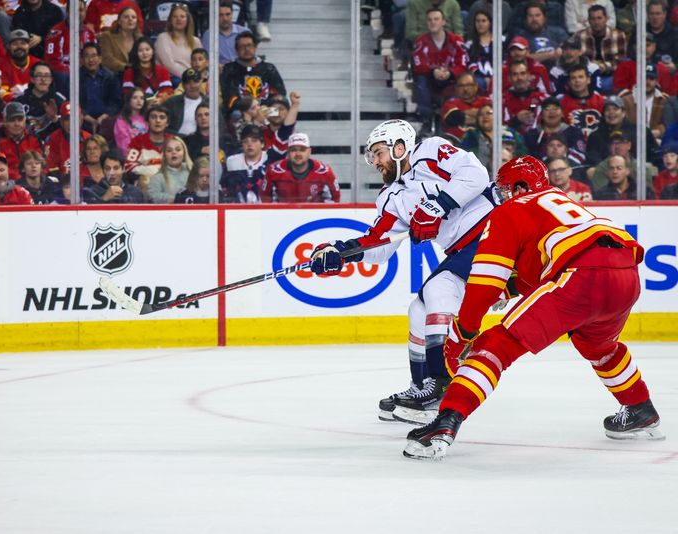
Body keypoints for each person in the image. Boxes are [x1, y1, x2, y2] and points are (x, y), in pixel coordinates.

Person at [404, 155, 663, 461]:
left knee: (495, 345)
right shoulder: (559, 200)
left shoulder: (512, 209)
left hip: (582, 275)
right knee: (598, 346)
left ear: (521, 186)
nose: (500, 197)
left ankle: (445, 423)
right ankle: (640, 407)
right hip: (625, 273)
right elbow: (542, 270)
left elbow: (483, 284)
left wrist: (462, 333)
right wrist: (511, 289)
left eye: (504, 190)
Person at [309, 119, 497, 425]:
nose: (376, 162)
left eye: (380, 153)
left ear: (400, 147)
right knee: (418, 309)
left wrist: (439, 205)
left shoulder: (431, 151)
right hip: (463, 251)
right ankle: (423, 386)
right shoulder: (391, 196)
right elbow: (379, 244)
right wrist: (340, 252)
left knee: (438, 291)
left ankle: (441, 383)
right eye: (373, 156)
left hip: (493, 234)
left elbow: (476, 175)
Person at [411, 8, 467, 126]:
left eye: (436, 19)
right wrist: (433, 71)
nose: (433, 22)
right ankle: (425, 119)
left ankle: (451, 120)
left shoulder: (456, 41)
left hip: (451, 79)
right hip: (430, 79)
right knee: (420, 80)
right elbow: (418, 65)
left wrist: (451, 72)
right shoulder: (420, 41)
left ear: (443, 22)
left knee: (464, 79)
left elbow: (462, 64)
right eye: (430, 20)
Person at [260, 133, 340, 203]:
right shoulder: (274, 171)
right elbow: (265, 199)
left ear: (309, 152)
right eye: (293, 150)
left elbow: (335, 199)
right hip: (283, 217)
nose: (298, 154)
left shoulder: (324, 172)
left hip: (314, 218)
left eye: (302, 150)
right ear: (288, 152)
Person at [585, 95, 658, 167]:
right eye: (607, 110)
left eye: (615, 109)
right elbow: (593, 160)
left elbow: (655, 156)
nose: (611, 112)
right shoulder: (595, 137)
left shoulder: (640, 131)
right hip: (607, 173)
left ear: (623, 112)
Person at [221, 31, 286, 111]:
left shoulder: (269, 69)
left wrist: (266, 109)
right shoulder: (229, 69)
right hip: (240, 115)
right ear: (236, 50)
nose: (247, 49)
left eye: (249, 45)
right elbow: (228, 96)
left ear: (255, 47)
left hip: (267, 114)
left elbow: (279, 93)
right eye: (242, 46)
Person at [44, 0, 97, 94]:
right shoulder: (56, 32)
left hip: (85, 70)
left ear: (85, 12)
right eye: (74, 10)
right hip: (64, 72)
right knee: (63, 76)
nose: (78, 13)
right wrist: (71, 71)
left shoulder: (90, 33)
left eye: (81, 10)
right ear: (68, 12)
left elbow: (95, 57)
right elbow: (51, 60)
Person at [574, 4, 627, 94]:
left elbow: (621, 60)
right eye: (593, 19)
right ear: (589, 20)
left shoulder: (618, 35)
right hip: (587, 75)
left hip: (610, 74)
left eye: (599, 18)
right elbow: (577, 59)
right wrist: (591, 66)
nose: (596, 22)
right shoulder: (579, 36)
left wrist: (601, 66)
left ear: (606, 19)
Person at [0, 101, 42, 181]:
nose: (17, 124)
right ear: (5, 121)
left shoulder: (34, 138)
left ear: (25, 120)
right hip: (8, 184)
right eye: (12, 120)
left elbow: (41, 163)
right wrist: (21, 179)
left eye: (20, 119)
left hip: (34, 181)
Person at [589, 130, 656, 192]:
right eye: (613, 143)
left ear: (629, 145)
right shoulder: (602, 169)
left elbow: (648, 194)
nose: (617, 147)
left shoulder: (642, 168)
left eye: (620, 143)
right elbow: (602, 195)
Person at [524, 96, 586, 162]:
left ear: (562, 113)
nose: (551, 112)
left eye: (555, 109)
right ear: (541, 115)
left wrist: (561, 167)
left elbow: (580, 154)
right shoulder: (532, 134)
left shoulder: (574, 132)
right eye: (547, 109)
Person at [14, 62, 65, 141]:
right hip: (26, 146)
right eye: (39, 75)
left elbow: (68, 130)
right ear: (32, 79)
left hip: (53, 146)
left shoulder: (60, 100)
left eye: (47, 76)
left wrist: (54, 118)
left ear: (51, 79)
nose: (43, 79)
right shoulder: (19, 102)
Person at [78, 43, 122, 134]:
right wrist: (89, 119)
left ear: (100, 59)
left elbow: (116, 102)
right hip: (83, 119)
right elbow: (73, 102)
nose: (90, 60)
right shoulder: (75, 78)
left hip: (106, 118)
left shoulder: (111, 76)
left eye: (94, 56)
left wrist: (103, 117)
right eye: (86, 56)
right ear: (81, 60)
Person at [221, 124, 269, 203]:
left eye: (254, 141)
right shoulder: (232, 161)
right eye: (245, 141)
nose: (249, 144)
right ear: (242, 145)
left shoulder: (269, 159)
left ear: (262, 144)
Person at [126, 104, 173, 185]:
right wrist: (154, 171)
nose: (158, 120)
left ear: (167, 123)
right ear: (147, 122)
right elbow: (129, 166)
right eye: (153, 117)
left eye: (162, 117)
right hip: (146, 184)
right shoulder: (137, 141)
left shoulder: (173, 141)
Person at [619, 65, 669, 141]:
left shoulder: (663, 100)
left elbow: (668, 122)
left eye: (651, 79)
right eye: (645, 78)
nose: (647, 82)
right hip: (630, 139)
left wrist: (659, 131)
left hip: (655, 140)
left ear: (656, 81)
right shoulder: (625, 99)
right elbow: (620, 123)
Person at [154, 3, 203, 80]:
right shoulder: (163, 38)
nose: (178, 19)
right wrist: (189, 77)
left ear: (188, 20)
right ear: (170, 20)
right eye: (175, 17)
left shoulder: (196, 41)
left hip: (193, 80)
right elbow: (168, 64)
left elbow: (201, 63)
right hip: (172, 79)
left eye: (182, 16)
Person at [513, 1, 567, 69]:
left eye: (537, 15)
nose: (534, 19)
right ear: (525, 19)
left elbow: (570, 53)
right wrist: (550, 54)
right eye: (530, 16)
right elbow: (522, 59)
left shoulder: (559, 33)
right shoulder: (520, 37)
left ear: (545, 18)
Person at [441, 72, 492, 141]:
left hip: (485, 141)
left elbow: (495, 120)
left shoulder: (486, 101)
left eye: (469, 85)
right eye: (461, 86)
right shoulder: (450, 103)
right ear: (456, 88)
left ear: (476, 86)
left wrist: (465, 113)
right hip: (457, 143)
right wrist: (481, 116)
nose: (465, 89)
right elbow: (455, 117)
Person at [44, 102, 90, 178]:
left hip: (87, 184)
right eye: (67, 119)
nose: (71, 123)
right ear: (61, 121)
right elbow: (51, 170)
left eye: (75, 118)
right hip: (62, 184)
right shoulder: (53, 139)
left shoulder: (89, 139)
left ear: (81, 119)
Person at [0, 29, 41, 101]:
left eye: (23, 43)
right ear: (8, 46)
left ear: (29, 46)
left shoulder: (38, 64)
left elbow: (42, 89)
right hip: (10, 105)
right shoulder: (0, 64)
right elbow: (1, 91)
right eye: (15, 44)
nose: (19, 47)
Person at [502, 60, 547, 136]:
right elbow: (498, 128)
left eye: (522, 73)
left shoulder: (542, 98)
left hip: (537, 142)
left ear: (528, 76)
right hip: (511, 142)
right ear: (509, 78)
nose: (519, 78)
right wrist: (516, 120)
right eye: (515, 74)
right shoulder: (502, 101)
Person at [560, 64, 605, 139]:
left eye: (581, 77)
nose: (577, 80)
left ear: (588, 80)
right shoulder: (562, 104)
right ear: (569, 83)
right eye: (573, 78)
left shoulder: (602, 101)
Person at [122, 37, 173, 103]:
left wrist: (160, 100)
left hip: (158, 105)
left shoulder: (162, 70)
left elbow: (168, 91)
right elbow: (127, 93)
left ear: (153, 51)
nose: (144, 53)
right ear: (136, 53)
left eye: (147, 49)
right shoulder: (129, 72)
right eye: (140, 50)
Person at [97, 6, 142, 74]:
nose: (130, 19)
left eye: (133, 17)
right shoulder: (107, 36)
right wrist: (127, 67)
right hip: (116, 76)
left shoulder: (141, 39)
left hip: (137, 76)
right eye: (126, 17)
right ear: (119, 21)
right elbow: (107, 59)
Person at [148, 137, 193, 203]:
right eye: (169, 150)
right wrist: (177, 199)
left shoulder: (193, 173)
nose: (174, 152)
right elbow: (153, 196)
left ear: (184, 153)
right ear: (164, 156)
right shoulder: (157, 178)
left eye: (178, 150)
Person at [201, 0, 247, 66]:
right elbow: (207, 59)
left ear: (232, 14)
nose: (225, 18)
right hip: (219, 72)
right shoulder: (208, 35)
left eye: (228, 14)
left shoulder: (244, 32)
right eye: (220, 15)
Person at [164, 69, 207, 136]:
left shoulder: (210, 103)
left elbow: (220, 126)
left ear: (201, 82)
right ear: (183, 85)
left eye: (196, 81)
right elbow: (163, 126)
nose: (192, 86)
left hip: (203, 142)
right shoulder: (172, 102)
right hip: (177, 141)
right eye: (188, 83)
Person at [463, 7, 495, 94]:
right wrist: (485, 78)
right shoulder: (469, 45)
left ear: (490, 23)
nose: (480, 24)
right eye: (478, 21)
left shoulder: (501, 41)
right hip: (479, 80)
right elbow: (470, 65)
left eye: (483, 21)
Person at [262, 92, 300, 164]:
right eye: (273, 109)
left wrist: (295, 105)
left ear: (288, 112)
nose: (277, 113)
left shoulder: (295, 136)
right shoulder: (259, 132)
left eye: (281, 109)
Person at [114, 88, 148, 153]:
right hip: (129, 155)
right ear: (129, 100)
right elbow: (123, 144)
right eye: (135, 98)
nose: (139, 101)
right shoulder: (121, 120)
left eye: (142, 98)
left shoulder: (147, 118)